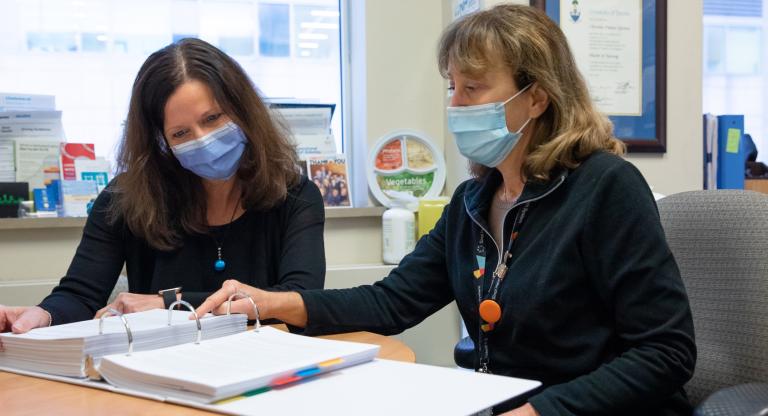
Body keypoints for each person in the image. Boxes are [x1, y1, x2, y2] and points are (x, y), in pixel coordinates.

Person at [196, 5, 695, 416]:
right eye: (451, 87)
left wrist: (539, 412)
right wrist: (273, 302)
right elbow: (392, 303)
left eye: (472, 89)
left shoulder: (605, 188)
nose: (455, 104)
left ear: (537, 97)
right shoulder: (473, 203)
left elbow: (665, 353)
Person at [0, 38, 325, 333]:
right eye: (180, 133)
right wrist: (41, 315)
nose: (204, 140)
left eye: (213, 119)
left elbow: (301, 299)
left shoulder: (295, 195)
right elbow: (80, 295)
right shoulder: (124, 200)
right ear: (160, 142)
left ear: (243, 111)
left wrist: (167, 303)